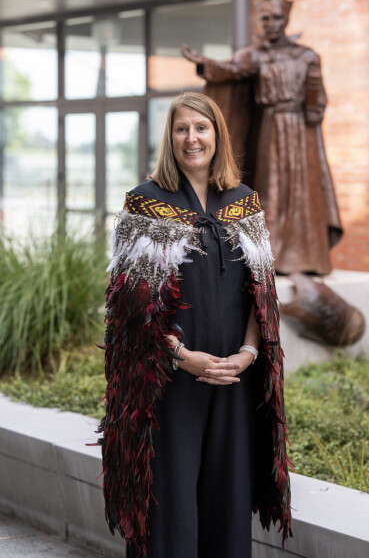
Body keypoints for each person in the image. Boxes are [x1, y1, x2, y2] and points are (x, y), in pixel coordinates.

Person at [97, 92, 292, 558]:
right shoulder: (145, 204)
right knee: (169, 507)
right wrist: (183, 357)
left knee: (228, 502)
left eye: (201, 128)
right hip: (167, 379)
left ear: (217, 135)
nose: (192, 138)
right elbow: (128, 309)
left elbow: (262, 295)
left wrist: (247, 354)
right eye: (181, 128)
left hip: (234, 378)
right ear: (169, 137)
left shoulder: (244, 203)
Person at [181, 0, 343, 275]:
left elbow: (317, 97)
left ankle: (307, 257)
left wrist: (314, 110)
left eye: (276, 18)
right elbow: (230, 70)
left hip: (300, 131)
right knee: (269, 189)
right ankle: (269, 253)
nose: (271, 24)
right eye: (266, 18)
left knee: (303, 192)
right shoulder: (255, 55)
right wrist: (206, 63)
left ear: (286, 19)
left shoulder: (306, 56)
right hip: (269, 129)